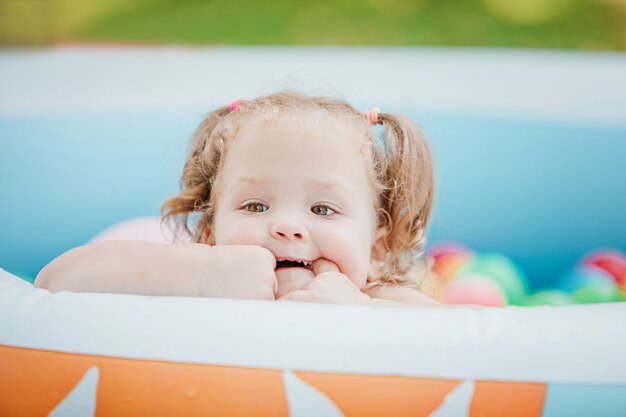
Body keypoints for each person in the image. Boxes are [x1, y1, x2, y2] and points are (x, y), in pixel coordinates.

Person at [35, 91, 438, 306]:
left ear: (377, 248)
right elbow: (53, 282)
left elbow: (454, 340)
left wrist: (359, 316)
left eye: (322, 209)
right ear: (209, 234)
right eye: (255, 206)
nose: (286, 225)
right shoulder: (199, 285)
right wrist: (201, 275)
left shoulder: (380, 299)